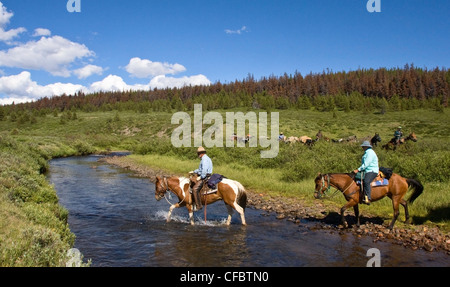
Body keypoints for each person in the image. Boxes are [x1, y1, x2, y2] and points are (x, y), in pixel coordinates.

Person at [189, 146, 213, 211]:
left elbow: (204, 170)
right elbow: (200, 169)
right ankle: (193, 202)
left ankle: (199, 206)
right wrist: (194, 171)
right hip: (204, 175)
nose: (198, 155)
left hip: (205, 177)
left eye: (198, 153)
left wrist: (201, 177)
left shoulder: (204, 159)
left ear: (201, 153)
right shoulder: (205, 158)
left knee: (195, 189)